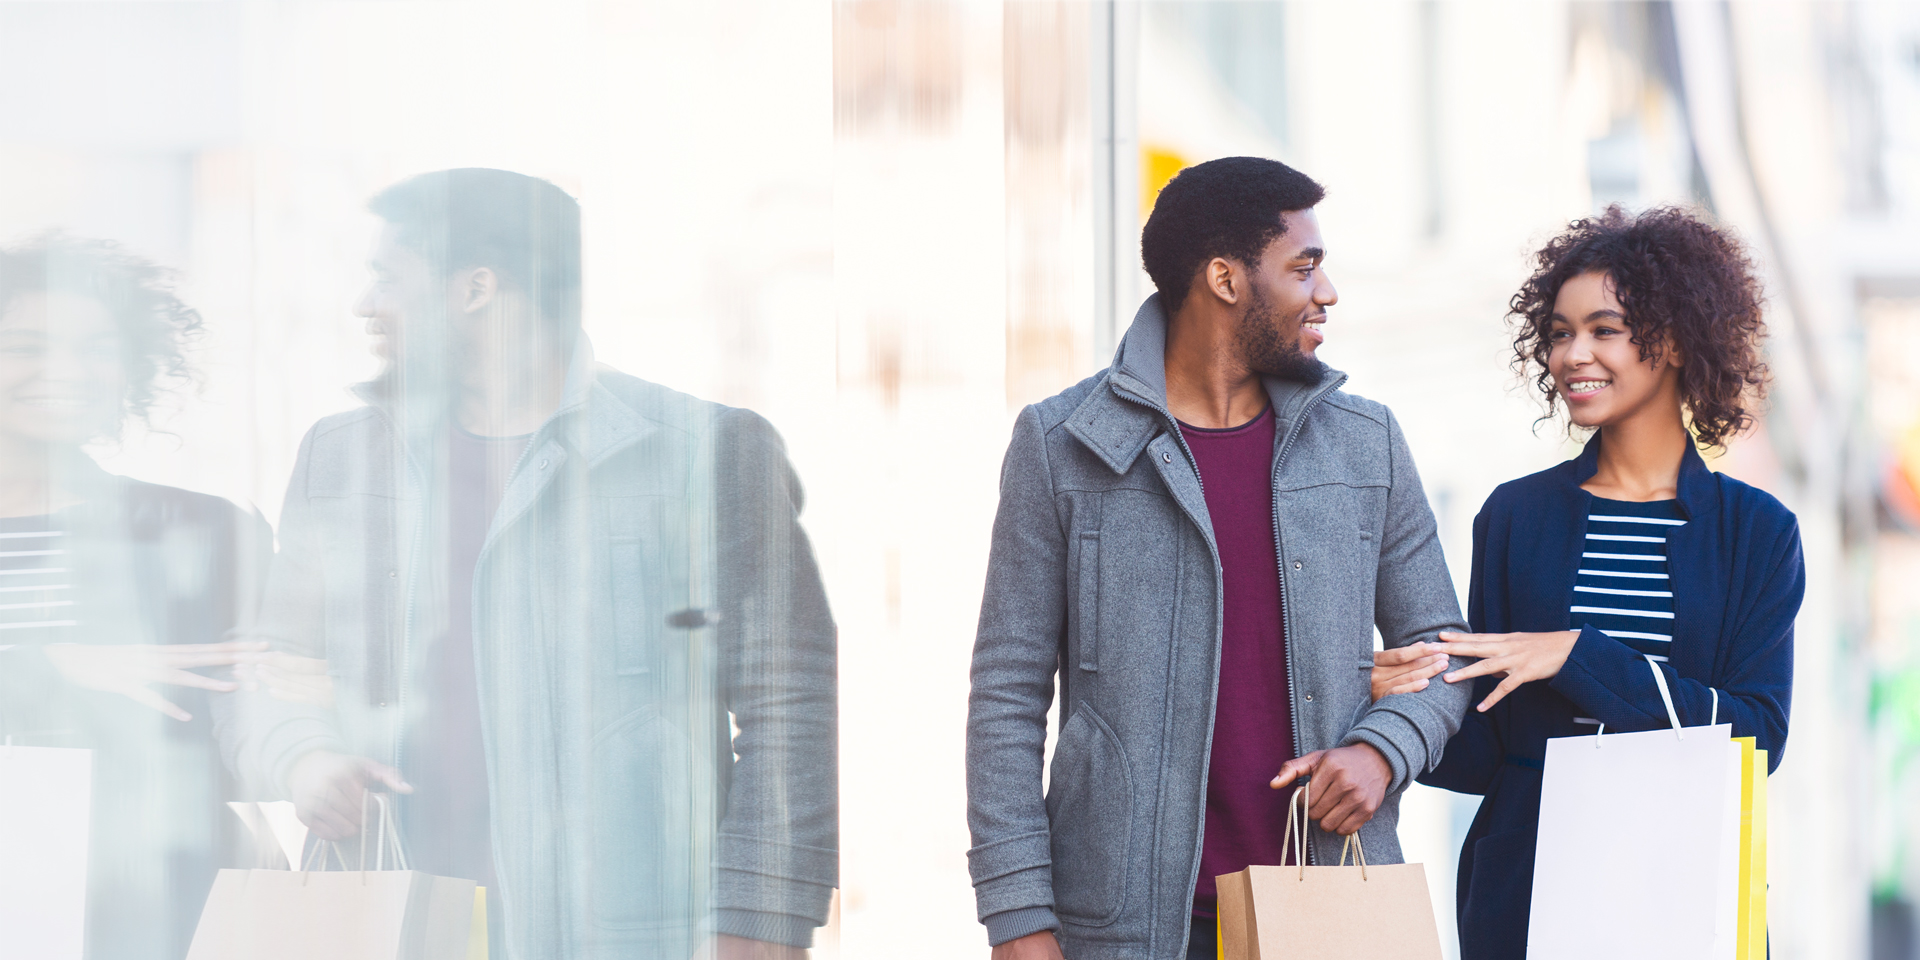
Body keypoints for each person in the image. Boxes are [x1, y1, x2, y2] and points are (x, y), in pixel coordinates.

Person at [215, 169, 837, 960]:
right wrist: (300, 755)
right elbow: (274, 669)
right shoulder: (340, 457)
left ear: (474, 288)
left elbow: (791, 704)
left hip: (627, 935)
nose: (364, 306)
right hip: (383, 923)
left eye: (387, 277)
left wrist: (762, 918)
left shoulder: (703, 451)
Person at [966, 157, 1472, 960]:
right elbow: (1006, 696)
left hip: (1332, 909)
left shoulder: (1367, 443)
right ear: (1226, 279)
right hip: (1127, 929)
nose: (1327, 292)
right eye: (1303, 268)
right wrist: (1018, 917)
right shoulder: (1062, 447)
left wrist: (1384, 749)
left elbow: (1446, 652)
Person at [1369, 205, 1801, 960]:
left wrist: (1578, 655)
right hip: (1527, 899)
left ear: (1668, 339)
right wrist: (1399, 693)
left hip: (1685, 894)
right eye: (1561, 333)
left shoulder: (1756, 532)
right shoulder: (1516, 516)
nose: (1573, 355)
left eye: (1603, 330)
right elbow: (1489, 748)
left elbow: (1756, 738)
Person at [0, 236, 270, 959]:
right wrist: (48, 668)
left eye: (97, 347)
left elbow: (254, 723)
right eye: (26, 345)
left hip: (152, 909)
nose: (67, 370)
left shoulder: (199, 529)